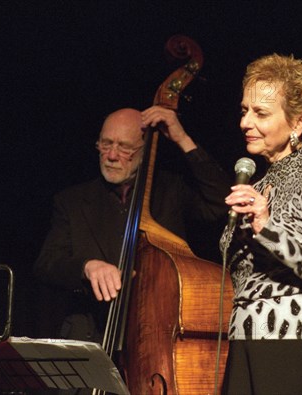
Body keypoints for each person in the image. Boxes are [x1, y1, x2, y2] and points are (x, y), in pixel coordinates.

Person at [33, 106, 231, 342]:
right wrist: (87, 267)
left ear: (146, 150)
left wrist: (182, 138)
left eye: (124, 147)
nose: (112, 156)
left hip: (158, 334)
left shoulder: (171, 190)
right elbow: (46, 264)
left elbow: (222, 202)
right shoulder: (72, 201)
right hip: (91, 334)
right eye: (106, 144)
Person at [219, 54, 302, 395]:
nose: (245, 122)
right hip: (244, 339)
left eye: (260, 113)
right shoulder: (256, 184)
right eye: (244, 110)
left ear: (298, 123)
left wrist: (268, 228)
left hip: (296, 340)